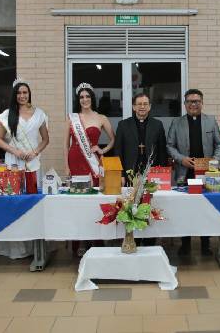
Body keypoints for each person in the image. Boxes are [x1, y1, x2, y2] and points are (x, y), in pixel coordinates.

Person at [0, 79, 50, 259]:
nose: (22, 96)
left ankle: (36, 247)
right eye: (19, 93)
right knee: (14, 203)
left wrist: (34, 152)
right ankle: (16, 248)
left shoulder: (39, 114)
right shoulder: (7, 114)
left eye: (25, 92)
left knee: (33, 203)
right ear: (15, 95)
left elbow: (45, 139)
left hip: (33, 162)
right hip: (14, 161)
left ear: (29, 94)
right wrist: (16, 151)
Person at [167, 89, 220, 256]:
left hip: (206, 173)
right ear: (185, 104)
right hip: (185, 172)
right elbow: (169, 145)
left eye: (197, 101)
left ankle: (205, 244)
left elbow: (219, 144)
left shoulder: (211, 121)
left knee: (205, 208)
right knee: (185, 209)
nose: (193, 104)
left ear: (202, 103)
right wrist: (181, 159)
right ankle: (185, 243)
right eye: (190, 101)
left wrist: (214, 162)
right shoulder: (176, 123)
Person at [65, 82, 115, 257]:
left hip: (92, 162)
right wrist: (66, 167)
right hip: (75, 160)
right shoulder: (72, 118)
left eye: (87, 96)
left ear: (92, 98)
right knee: (78, 201)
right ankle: (79, 242)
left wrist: (102, 150)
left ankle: (96, 240)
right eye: (81, 97)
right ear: (78, 100)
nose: (84, 99)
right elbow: (66, 145)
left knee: (94, 201)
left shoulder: (101, 118)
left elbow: (113, 140)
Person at [115, 93, 168, 247]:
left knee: (149, 204)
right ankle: (133, 238)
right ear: (133, 107)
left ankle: (150, 240)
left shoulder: (157, 125)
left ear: (150, 107)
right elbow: (118, 151)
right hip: (131, 174)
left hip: (152, 174)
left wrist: (162, 174)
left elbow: (162, 151)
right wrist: (121, 174)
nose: (142, 107)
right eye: (139, 104)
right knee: (132, 206)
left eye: (145, 104)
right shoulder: (123, 125)